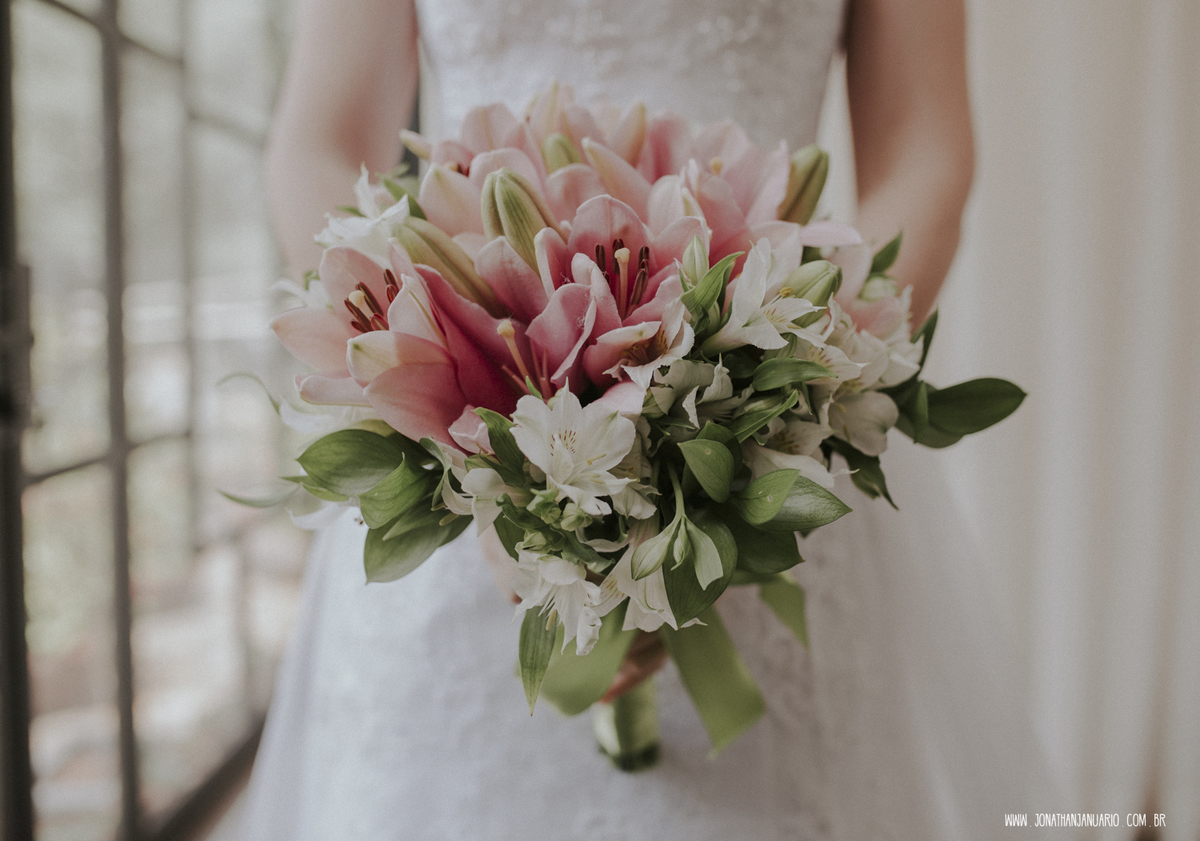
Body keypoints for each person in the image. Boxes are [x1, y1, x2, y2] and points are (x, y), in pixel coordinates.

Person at [240, 0, 1054, 837]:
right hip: (465, 463)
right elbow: (319, 145)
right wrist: (464, 435)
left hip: (766, 434)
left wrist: (774, 400)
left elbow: (924, 149)